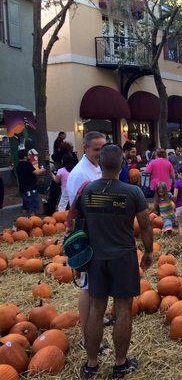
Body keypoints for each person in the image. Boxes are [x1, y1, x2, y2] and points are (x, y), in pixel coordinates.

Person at [79, 144, 153, 379]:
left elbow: (78, 226)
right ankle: (120, 364)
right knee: (123, 310)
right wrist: (149, 252)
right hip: (123, 258)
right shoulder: (133, 193)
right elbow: (145, 225)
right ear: (122, 165)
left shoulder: (88, 191)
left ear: (99, 164)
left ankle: (91, 365)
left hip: (96, 258)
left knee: (95, 310)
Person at [66, 131, 106, 353]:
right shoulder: (80, 174)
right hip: (90, 236)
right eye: (96, 149)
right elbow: (80, 210)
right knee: (89, 287)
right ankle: (88, 336)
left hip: (100, 235)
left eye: (103, 148)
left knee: (94, 287)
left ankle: (94, 330)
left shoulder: (95, 168)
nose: (100, 153)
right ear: (86, 149)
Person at [16, 149, 45, 215]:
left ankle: (25, 218)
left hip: (23, 188)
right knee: (33, 204)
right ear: (25, 156)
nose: (29, 156)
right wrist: (42, 169)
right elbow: (36, 172)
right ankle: (33, 219)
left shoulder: (18, 165)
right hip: (30, 188)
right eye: (28, 154)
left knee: (25, 204)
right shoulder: (27, 164)